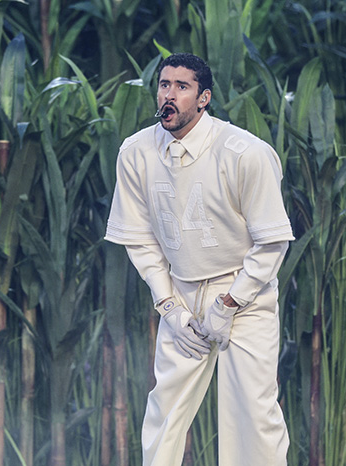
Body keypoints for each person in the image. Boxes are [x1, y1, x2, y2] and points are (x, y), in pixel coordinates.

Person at [104, 52, 293, 466]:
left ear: (204, 98)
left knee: (253, 413)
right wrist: (170, 308)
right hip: (181, 292)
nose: (169, 95)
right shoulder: (136, 152)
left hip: (245, 295)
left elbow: (272, 242)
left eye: (182, 87)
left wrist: (230, 303)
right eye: (164, 85)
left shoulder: (245, 153)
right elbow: (140, 241)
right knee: (164, 411)